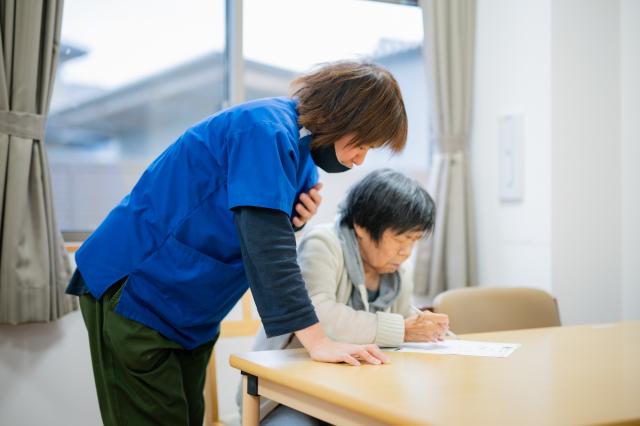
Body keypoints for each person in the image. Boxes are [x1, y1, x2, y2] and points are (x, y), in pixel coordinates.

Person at [65, 61, 408, 426]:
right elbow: (267, 246)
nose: (359, 160)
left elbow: (252, 228)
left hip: (190, 309)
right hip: (138, 288)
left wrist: (295, 221)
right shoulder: (263, 129)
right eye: (363, 144)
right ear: (342, 115)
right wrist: (318, 341)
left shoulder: (302, 159)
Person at [238, 168, 449, 425]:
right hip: (293, 395)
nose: (406, 252)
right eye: (400, 239)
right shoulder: (323, 243)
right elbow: (318, 312)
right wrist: (402, 330)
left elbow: (404, 331)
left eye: (414, 241)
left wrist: (430, 332)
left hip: (361, 395)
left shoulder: (398, 272)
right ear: (361, 225)